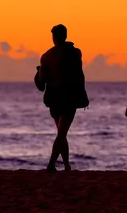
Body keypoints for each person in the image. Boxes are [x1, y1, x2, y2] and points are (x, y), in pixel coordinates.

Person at [37, 24, 87, 172]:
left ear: (54, 37)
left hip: (54, 99)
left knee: (61, 132)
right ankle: (52, 164)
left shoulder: (46, 56)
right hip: (68, 98)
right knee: (62, 133)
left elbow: (41, 83)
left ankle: (66, 165)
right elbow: (79, 76)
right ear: (65, 35)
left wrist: (38, 74)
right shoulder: (75, 53)